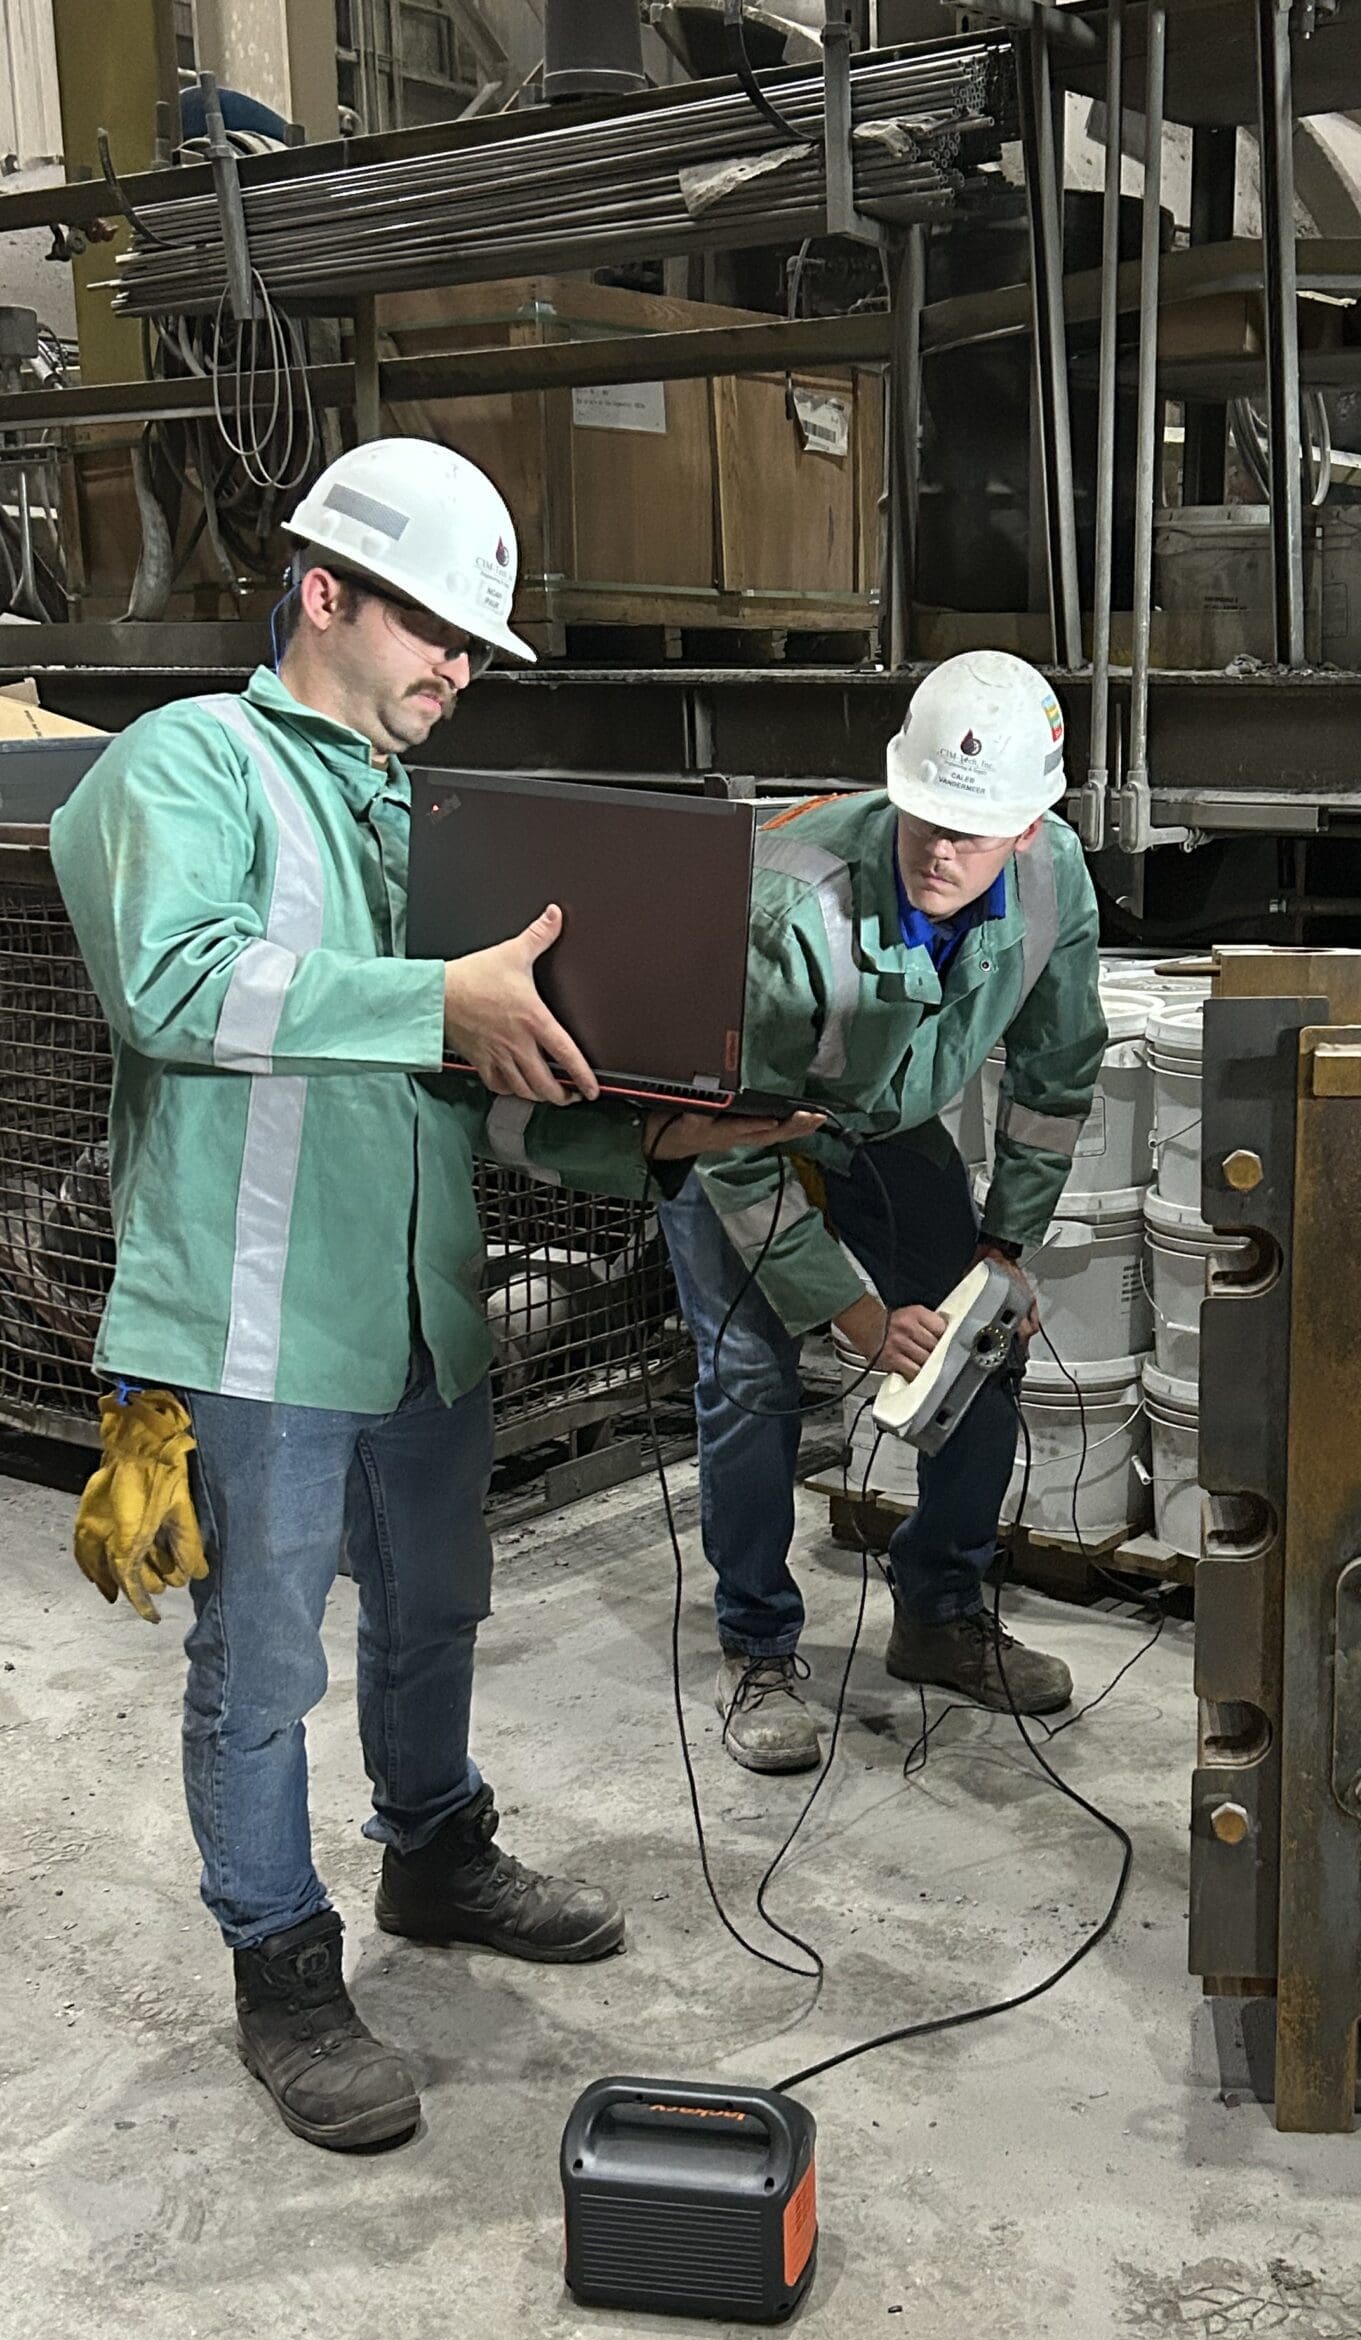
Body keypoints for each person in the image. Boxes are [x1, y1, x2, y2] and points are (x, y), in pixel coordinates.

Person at [51, 436, 806, 2153]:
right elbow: (171, 986)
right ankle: (281, 1961)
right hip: (246, 1327)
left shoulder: (423, 814)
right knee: (259, 1672)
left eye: (475, 647)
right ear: (323, 592)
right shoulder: (189, 767)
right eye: (434, 633)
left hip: (414, 1310)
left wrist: (652, 1136)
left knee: (437, 1611)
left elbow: (461, 1075)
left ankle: (435, 1852)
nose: (457, 671)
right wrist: (436, 1000)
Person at [656, 649, 1108, 1777]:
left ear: (1028, 825)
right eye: (922, 821)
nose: (942, 850)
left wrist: (1004, 1245)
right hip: (746, 1129)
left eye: (974, 830)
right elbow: (736, 1164)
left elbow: (1056, 1073)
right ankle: (758, 1644)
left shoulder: (1052, 877)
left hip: (882, 1114)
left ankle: (940, 1610)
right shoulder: (789, 908)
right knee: (754, 1376)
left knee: (981, 1346)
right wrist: (857, 1316)